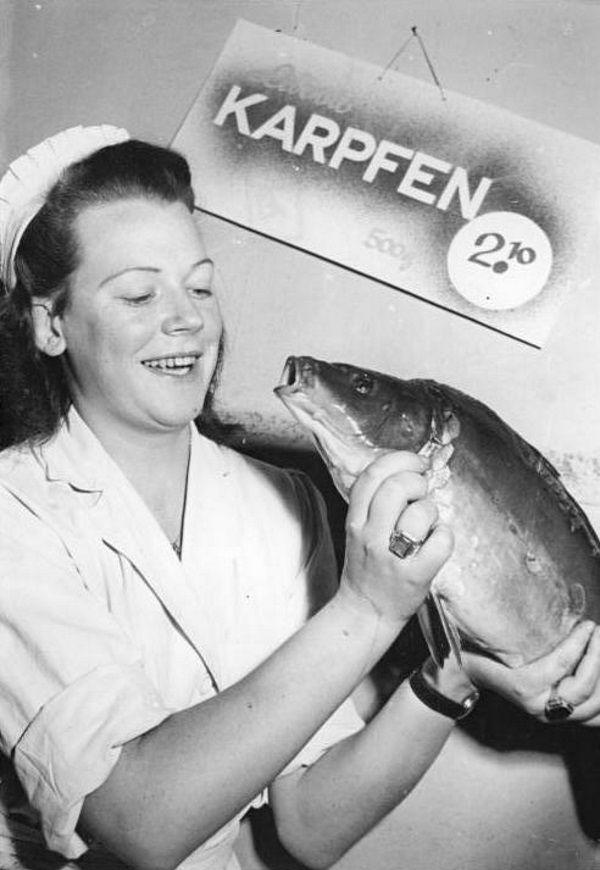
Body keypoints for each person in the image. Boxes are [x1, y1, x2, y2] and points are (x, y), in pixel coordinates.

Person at [0, 125, 598, 870]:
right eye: (139, 294)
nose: (187, 318)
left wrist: (455, 672)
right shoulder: (14, 513)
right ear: (50, 325)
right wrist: (369, 608)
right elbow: (139, 823)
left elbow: (313, 824)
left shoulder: (281, 504)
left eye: (201, 286)